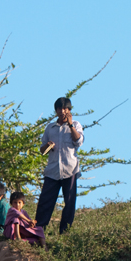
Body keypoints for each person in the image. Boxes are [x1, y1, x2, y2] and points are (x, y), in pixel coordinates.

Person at [35, 97, 84, 234]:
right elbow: (42, 150)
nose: (62, 111)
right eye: (60, 109)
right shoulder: (50, 128)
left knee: (69, 202)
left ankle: (65, 232)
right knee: (45, 201)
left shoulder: (76, 124)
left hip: (70, 169)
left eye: (65, 109)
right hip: (52, 171)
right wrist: (48, 146)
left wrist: (70, 125)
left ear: (69, 110)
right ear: (56, 111)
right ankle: (38, 230)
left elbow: (79, 141)